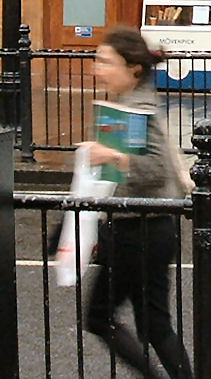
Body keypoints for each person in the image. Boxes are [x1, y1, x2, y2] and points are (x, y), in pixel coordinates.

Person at [82, 26, 193, 379]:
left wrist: (109, 156)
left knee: (102, 317)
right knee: (154, 324)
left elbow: (153, 171)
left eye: (105, 62)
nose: (97, 69)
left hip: (140, 232)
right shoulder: (128, 103)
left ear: (133, 68)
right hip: (145, 228)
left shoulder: (137, 109)